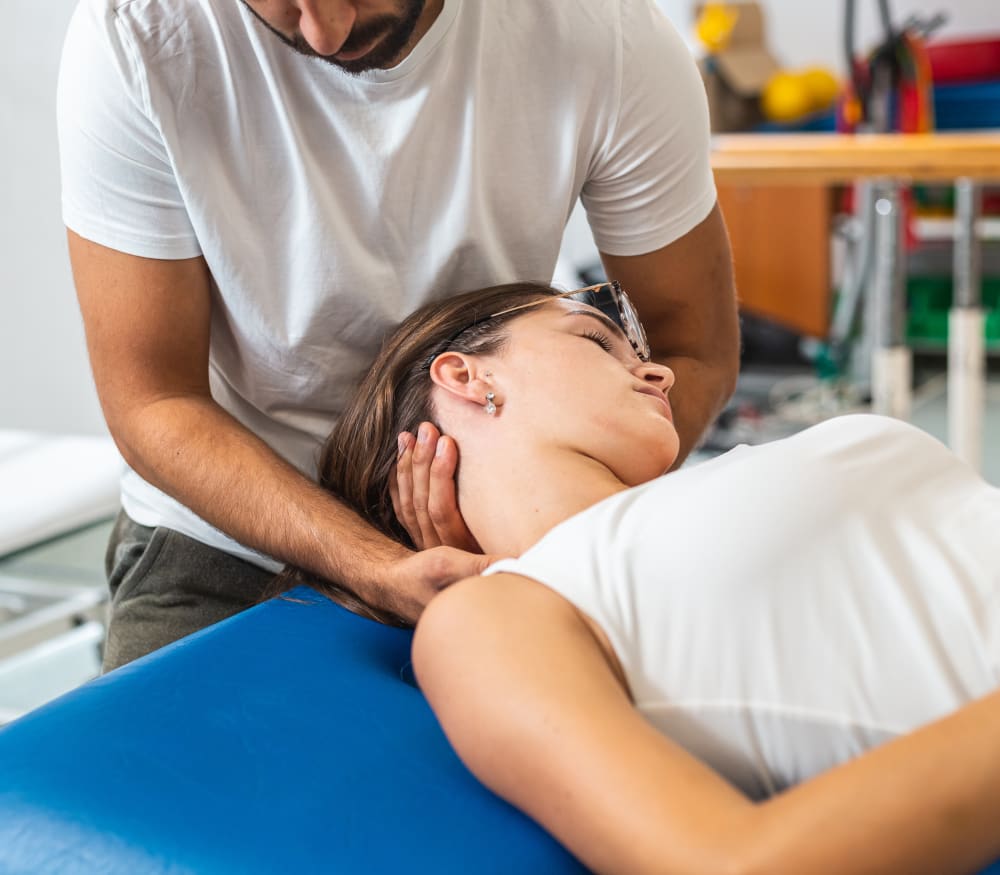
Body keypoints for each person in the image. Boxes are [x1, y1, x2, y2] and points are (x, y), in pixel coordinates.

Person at [56, 0, 739, 671]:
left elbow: (694, 345)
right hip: (230, 533)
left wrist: (525, 518)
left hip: (512, 543)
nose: (324, 32)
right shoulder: (138, 35)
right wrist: (380, 564)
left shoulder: (605, 34)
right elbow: (152, 403)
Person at [295, 280, 1000, 874]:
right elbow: (726, 861)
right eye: (595, 341)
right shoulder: (499, 615)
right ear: (467, 376)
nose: (661, 372)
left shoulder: (721, 479)